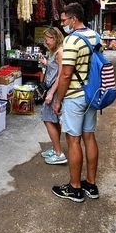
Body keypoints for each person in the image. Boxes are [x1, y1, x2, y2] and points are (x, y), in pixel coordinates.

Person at [51, 3, 100, 203]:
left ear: (73, 19)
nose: (63, 24)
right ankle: (91, 184)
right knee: (89, 137)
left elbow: (65, 75)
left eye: (64, 20)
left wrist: (58, 100)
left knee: (73, 140)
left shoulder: (71, 40)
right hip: (91, 94)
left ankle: (75, 188)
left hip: (75, 96)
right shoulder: (95, 36)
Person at [38, 27, 66, 165]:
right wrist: (46, 63)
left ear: (55, 38)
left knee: (47, 119)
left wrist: (51, 93)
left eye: (47, 39)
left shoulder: (60, 52)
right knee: (53, 120)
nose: (46, 42)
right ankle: (56, 149)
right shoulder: (54, 52)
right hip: (52, 90)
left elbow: (61, 76)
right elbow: (54, 69)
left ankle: (59, 153)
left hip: (54, 91)